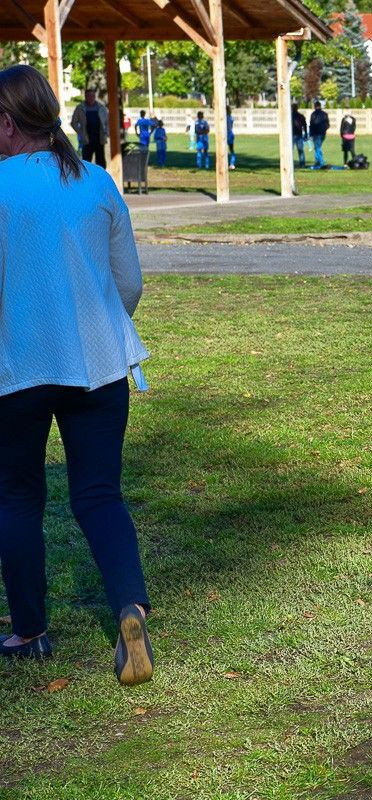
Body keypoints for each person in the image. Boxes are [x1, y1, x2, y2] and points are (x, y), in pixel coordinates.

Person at [0, 65, 154, 685]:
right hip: (99, 364)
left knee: (15, 497)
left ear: (7, 124)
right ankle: (130, 608)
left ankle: (30, 629)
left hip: (18, 368)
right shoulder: (95, 181)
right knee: (99, 495)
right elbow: (130, 283)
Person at [69, 88, 107, 167]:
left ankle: (101, 178)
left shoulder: (101, 107)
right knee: (86, 163)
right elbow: (73, 123)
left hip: (99, 139)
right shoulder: (80, 108)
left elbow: (107, 122)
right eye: (88, 96)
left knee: (101, 162)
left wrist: (106, 132)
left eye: (92, 96)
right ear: (85, 96)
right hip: (86, 140)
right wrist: (81, 133)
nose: (91, 98)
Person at [309, 101, 329, 168]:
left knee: (317, 148)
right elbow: (328, 125)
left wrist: (311, 134)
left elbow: (311, 125)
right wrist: (324, 130)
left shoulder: (313, 114)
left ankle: (321, 162)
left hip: (316, 133)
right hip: (322, 134)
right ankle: (317, 162)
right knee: (317, 148)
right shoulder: (325, 114)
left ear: (315, 106)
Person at [291, 103, 308, 168]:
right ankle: (302, 164)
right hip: (299, 135)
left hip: (292, 135)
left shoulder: (289, 116)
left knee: (290, 150)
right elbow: (305, 126)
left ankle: (290, 164)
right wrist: (306, 134)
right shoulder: (301, 116)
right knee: (300, 150)